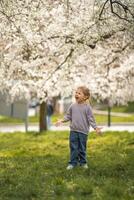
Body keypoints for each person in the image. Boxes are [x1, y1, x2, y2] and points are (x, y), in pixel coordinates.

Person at [55, 86, 102, 170]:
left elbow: (91, 119)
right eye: (76, 92)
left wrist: (96, 128)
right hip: (73, 131)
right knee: (73, 148)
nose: (76, 94)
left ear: (85, 97)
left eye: (79, 93)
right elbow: (68, 116)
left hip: (83, 132)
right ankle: (72, 163)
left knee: (82, 148)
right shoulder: (73, 106)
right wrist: (61, 121)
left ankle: (83, 163)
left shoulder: (87, 107)